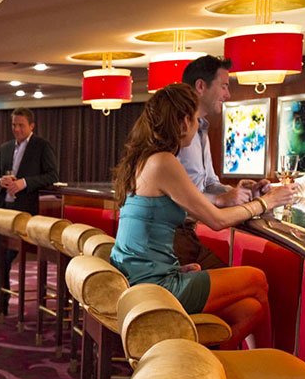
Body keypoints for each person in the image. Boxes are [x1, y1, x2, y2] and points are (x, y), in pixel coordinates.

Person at [110, 83, 295, 349]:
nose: (197, 126)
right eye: (196, 119)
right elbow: (216, 220)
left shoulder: (143, 159)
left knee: (249, 309)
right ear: (184, 121)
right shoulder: (163, 161)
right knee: (257, 279)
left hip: (144, 278)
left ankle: (218, 365)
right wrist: (266, 202)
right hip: (156, 286)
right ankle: (265, 364)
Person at [173, 56, 259, 270]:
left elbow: (210, 182)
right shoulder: (175, 130)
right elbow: (173, 196)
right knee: (250, 279)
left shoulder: (201, 129)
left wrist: (238, 192)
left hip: (187, 233)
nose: (228, 94)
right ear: (201, 86)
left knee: (248, 277)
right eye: (224, 86)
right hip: (169, 237)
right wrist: (223, 199)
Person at [0, 108, 59, 318]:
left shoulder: (41, 146)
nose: (16, 129)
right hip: (2, 211)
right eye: (14, 125)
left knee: (4, 260)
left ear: (32, 126)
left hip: (24, 214)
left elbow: (52, 175)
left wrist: (25, 183)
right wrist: (0, 182)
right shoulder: (5, 148)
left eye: (21, 125)